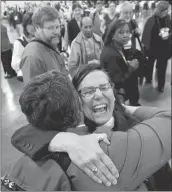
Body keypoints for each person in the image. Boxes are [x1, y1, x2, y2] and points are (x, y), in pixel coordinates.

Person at [4, 65, 171, 191]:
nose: (98, 95)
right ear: (77, 102)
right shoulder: (111, 144)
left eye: (105, 87)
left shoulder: (135, 124)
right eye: (88, 91)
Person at [19, 6, 68, 85]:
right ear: (37, 28)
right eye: (50, 28)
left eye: (57, 27)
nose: (56, 32)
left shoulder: (49, 45)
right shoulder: (32, 57)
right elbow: (33, 94)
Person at [100, 19, 141, 106]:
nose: (126, 35)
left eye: (127, 32)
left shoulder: (117, 46)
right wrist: (131, 69)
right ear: (112, 34)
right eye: (121, 32)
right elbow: (117, 81)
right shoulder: (111, 55)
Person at [142, 1, 171, 92]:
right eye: (164, 11)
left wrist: (169, 35)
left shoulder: (168, 20)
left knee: (162, 67)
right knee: (150, 64)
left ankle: (161, 85)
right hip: (152, 48)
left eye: (167, 10)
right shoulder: (151, 20)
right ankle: (148, 78)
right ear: (160, 10)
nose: (166, 12)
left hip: (164, 49)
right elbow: (145, 35)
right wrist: (145, 48)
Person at [11, 12, 35, 82]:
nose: (33, 27)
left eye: (35, 24)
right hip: (30, 79)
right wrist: (28, 61)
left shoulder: (41, 38)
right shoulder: (19, 42)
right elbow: (14, 64)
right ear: (25, 25)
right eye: (30, 24)